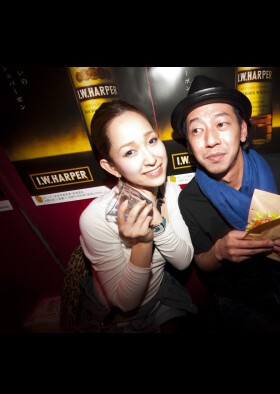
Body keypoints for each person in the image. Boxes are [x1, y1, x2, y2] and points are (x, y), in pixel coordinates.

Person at [170, 75, 280, 333]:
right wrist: (220, 251)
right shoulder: (190, 199)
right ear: (190, 146)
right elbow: (202, 261)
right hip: (237, 298)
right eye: (197, 130)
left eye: (221, 124)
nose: (211, 140)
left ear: (243, 131)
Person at [79, 99, 197, 333]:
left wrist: (157, 221)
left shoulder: (171, 191)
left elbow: (183, 261)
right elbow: (126, 303)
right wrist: (142, 242)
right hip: (118, 316)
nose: (151, 159)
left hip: (162, 297)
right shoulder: (95, 217)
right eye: (130, 152)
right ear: (112, 167)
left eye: (151, 141)